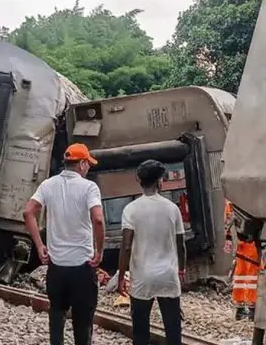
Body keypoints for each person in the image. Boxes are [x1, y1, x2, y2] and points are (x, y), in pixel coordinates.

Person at [23, 143, 105, 345]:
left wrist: (40, 245)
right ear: (83, 164)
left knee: (56, 315)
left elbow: (28, 212)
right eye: (88, 164)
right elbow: (98, 219)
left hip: (57, 267)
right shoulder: (89, 187)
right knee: (83, 321)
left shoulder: (48, 185)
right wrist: (99, 250)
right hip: (83, 268)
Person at [117, 159, 186, 345]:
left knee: (140, 332)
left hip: (142, 277)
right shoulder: (172, 209)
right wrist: (181, 269)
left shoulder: (130, 210)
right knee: (173, 331)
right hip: (168, 276)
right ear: (160, 181)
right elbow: (181, 244)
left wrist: (121, 276)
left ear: (139, 180)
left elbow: (126, 246)